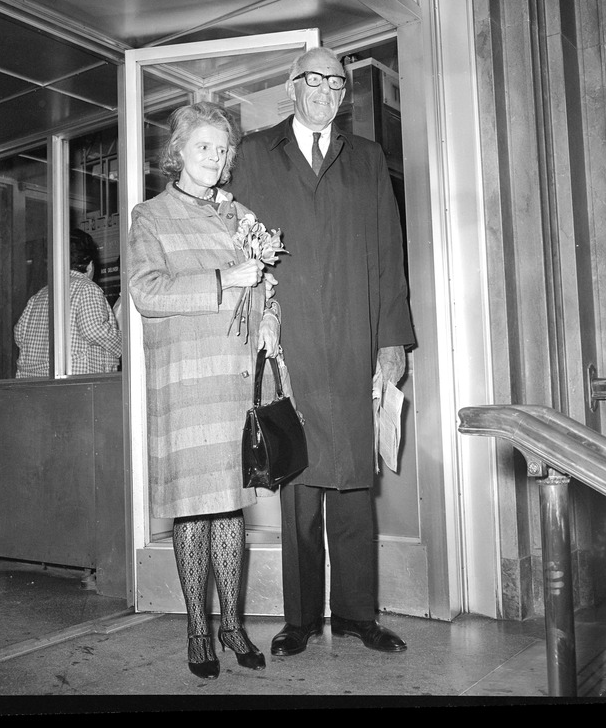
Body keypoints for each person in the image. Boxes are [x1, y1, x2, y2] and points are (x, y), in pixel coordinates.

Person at [228, 46, 417, 656]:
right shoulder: (255, 153)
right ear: (291, 87)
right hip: (290, 340)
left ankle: (359, 614)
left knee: (357, 481)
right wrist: (252, 320)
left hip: (356, 340)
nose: (325, 91)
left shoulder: (366, 157)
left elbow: (390, 254)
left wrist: (392, 341)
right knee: (300, 479)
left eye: (336, 83)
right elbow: (234, 242)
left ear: (344, 94)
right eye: (313, 80)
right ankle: (301, 618)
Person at [125, 101, 281, 679]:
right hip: (187, 380)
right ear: (179, 153)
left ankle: (233, 624)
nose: (215, 159)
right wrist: (225, 280)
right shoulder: (151, 215)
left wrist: (269, 315)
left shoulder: (240, 216)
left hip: (233, 380)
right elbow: (147, 292)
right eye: (204, 148)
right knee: (195, 508)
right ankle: (197, 629)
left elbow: (264, 287)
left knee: (230, 506)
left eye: (222, 150)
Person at [14, 228, 122, 377]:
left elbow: (19, 335)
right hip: (75, 380)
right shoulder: (87, 288)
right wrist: (123, 343)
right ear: (90, 266)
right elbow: (93, 329)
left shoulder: (40, 295)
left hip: (35, 381)